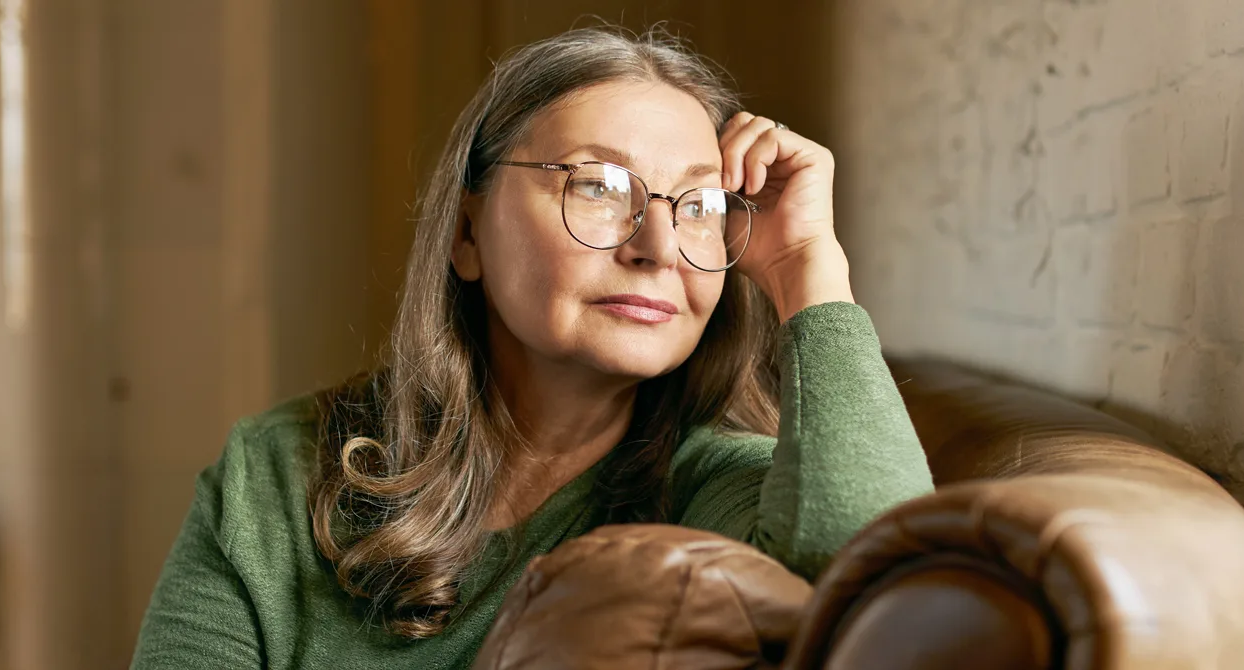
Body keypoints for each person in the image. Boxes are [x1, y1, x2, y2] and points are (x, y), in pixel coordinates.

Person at [131, 26, 933, 669]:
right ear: (468, 230)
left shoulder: (718, 489)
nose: (658, 244)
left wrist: (807, 268)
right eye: (598, 186)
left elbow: (882, 585)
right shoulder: (277, 474)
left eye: (702, 204)